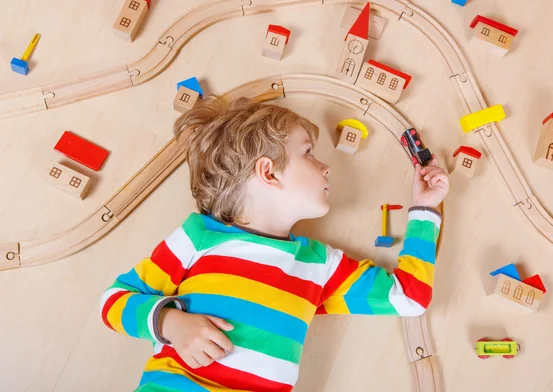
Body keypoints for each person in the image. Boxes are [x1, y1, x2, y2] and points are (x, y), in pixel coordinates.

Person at [100, 96, 449, 391]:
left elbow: (410, 297)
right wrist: (171, 324)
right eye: (309, 153)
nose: (326, 167)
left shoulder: (319, 264)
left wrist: (425, 208)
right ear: (268, 172)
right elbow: (114, 301)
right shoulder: (200, 237)